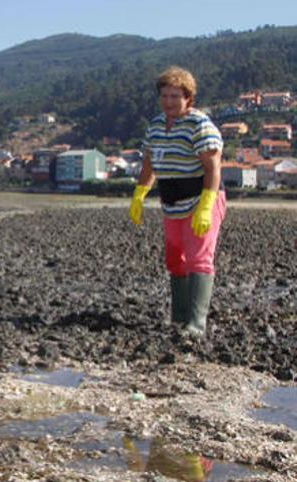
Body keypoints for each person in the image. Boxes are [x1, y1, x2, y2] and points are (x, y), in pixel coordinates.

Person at [129, 66, 225, 338]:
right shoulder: (157, 126)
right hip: (172, 202)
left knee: (199, 258)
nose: (169, 102)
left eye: (175, 96)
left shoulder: (200, 125)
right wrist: (139, 194)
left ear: (188, 98)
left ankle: (196, 323)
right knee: (175, 259)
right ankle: (179, 318)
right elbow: (149, 164)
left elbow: (213, 168)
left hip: (202, 197)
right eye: (165, 96)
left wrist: (206, 206)